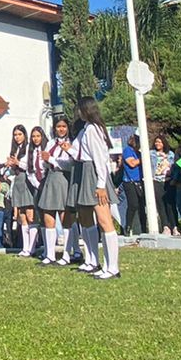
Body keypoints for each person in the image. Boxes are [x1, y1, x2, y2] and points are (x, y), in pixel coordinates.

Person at [72, 97, 121, 278]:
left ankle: (113, 267)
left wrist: (101, 185)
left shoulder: (93, 129)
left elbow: (100, 158)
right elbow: (77, 152)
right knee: (97, 220)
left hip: (94, 174)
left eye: (80, 109)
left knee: (104, 220)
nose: (78, 113)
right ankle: (104, 264)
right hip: (87, 171)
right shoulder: (86, 129)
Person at [38, 116, 75, 266]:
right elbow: (45, 161)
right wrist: (46, 161)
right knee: (48, 215)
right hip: (50, 178)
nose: (61, 129)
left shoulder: (71, 143)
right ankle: (50, 254)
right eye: (58, 126)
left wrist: (52, 159)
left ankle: (67, 254)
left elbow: (69, 163)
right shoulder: (51, 143)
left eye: (63, 126)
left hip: (63, 179)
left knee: (65, 217)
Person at [5, 125, 39, 255]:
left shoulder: (29, 148)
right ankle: (25, 248)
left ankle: (32, 247)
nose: (17, 137)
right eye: (15, 135)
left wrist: (17, 163)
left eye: (19, 134)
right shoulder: (15, 149)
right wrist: (10, 166)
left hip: (27, 179)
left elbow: (30, 165)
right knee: (22, 215)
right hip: (18, 180)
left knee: (30, 215)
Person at [148, 135, 176, 235]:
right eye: (156, 142)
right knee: (160, 204)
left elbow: (173, 167)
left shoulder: (170, 154)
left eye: (159, 142)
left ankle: (174, 226)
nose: (157, 144)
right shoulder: (151, 154)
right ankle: (165, 226)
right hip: (156, 180)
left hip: (168, 181)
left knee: (170, 204)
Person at [119, 135, 145, 234]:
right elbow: (132, 163)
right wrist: (143, 158)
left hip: (140, 181)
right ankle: (128, 226)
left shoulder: (138, 153)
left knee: (141, 206)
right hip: (129, 181)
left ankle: (143, 228)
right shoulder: (127, 151)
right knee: (133, 204)